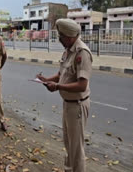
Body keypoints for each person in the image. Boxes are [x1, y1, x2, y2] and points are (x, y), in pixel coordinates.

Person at [37, 19, 93, 172]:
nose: (59, 40)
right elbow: (61, 74)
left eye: (60, 37)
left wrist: (58, 87)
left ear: (68, 36)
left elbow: (82, 85)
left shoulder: (82, 53)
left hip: (78, 106)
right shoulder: (68, 50)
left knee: (76, 148)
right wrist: (46, 79)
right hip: (68, 104)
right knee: (69, 144)